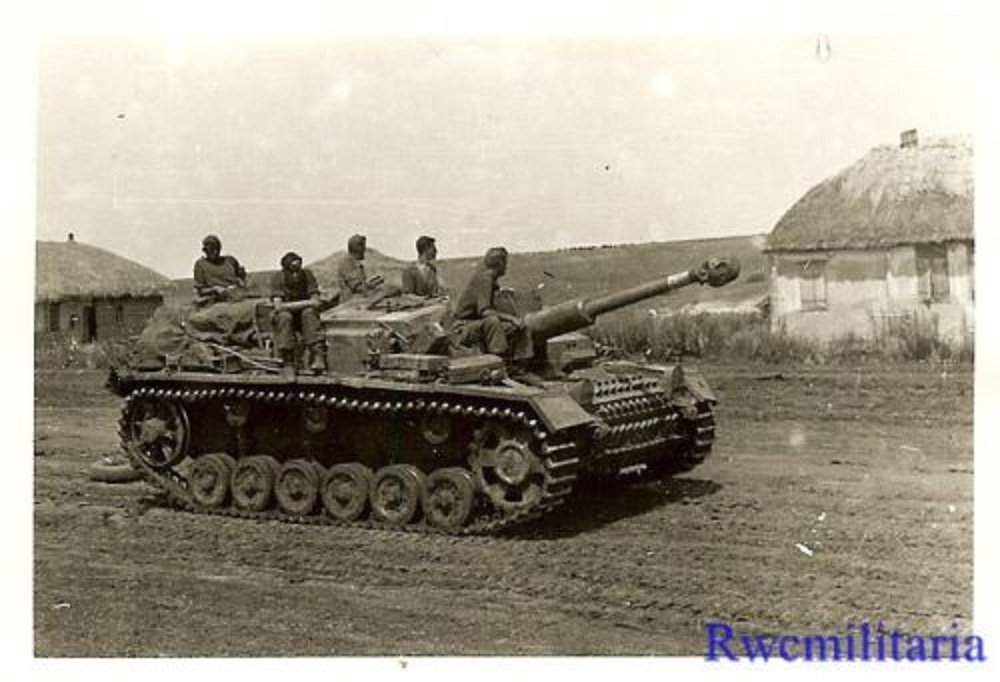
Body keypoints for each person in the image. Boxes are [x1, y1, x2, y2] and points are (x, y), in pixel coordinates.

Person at [450, 246, 531, 359]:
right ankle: (497, 361)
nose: (506, 266)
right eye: (505, 262)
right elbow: (485, 311)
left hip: (472, 325)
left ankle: (518, 363)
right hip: (462, 328)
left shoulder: (488, 279)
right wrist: (512, 318)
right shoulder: (485, 278)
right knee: (493, 322)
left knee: (513, 327)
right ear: (500, 263)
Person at [270, 251, 326, 376]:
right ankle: (288, 361)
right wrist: (307, 303)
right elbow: (278, 306)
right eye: (292, 269)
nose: (296, 274)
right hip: (285, 315)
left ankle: (317, 355)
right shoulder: (278, 278)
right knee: (285, 317)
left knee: (309, 313)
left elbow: (316, 301)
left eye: (298, 268)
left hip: (302, 315)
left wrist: (298, 305)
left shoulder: (307, 275)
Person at [193, 235, 247, 304]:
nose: (215, 252)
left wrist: (241, 280)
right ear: (205, 250)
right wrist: (215, 289)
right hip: (217, 300)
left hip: (237, 296)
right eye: (212, 250)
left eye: (217, 249)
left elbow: (240, 279)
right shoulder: (201, 265)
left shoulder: (230, 260)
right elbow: (200, 290)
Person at [336, 233, 383, 299]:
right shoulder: (348, 263)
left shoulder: (354, 263)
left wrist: (374, 282)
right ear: (357, 248)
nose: (365, 249)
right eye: (363, 246)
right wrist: (374, 284)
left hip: (358, 301)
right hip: (350, 303)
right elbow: (357, 288)